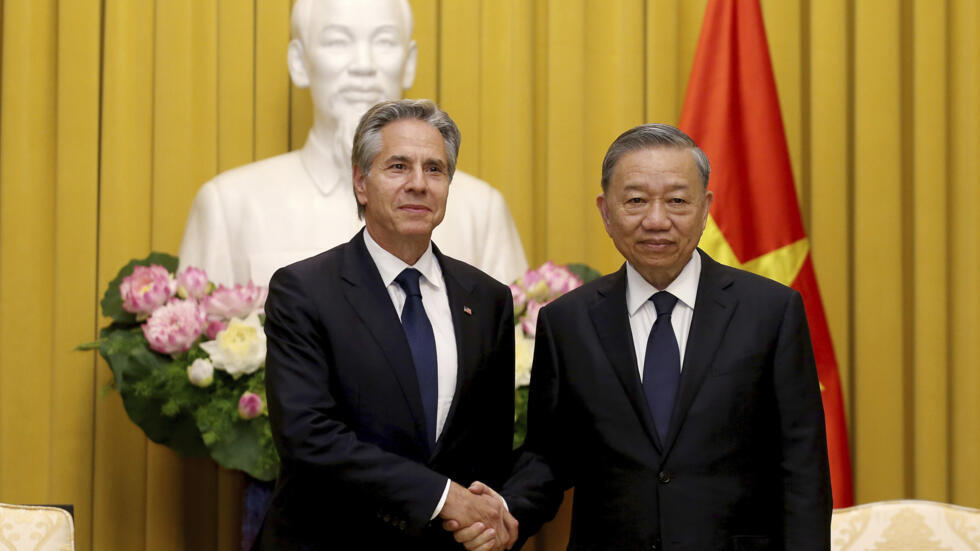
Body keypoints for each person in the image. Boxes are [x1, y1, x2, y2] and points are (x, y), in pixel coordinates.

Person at [455, 124, 832, 550]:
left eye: (676, 201)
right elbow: (548, 456)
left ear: (705, 208)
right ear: (605, 211)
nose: (656, 220)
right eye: (635, 200)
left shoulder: (770, 312)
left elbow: (802, 468)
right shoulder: (567, 322)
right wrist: (508, 511)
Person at [254, 99, 519, 550]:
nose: (419, 184)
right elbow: (309, 438)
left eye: (434, 170)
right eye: (398, 167)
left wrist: (492, 516)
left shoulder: (488, 299)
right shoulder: (304, 291)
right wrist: (441, 498)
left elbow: (491, 450)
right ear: (361, 182)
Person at [178, 0, 527, 288]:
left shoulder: (481, 211)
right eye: (337, 41)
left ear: (409, 63)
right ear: (299, 62)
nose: (364, 65)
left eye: (384, 42)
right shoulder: (229, 207)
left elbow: (510, 355)